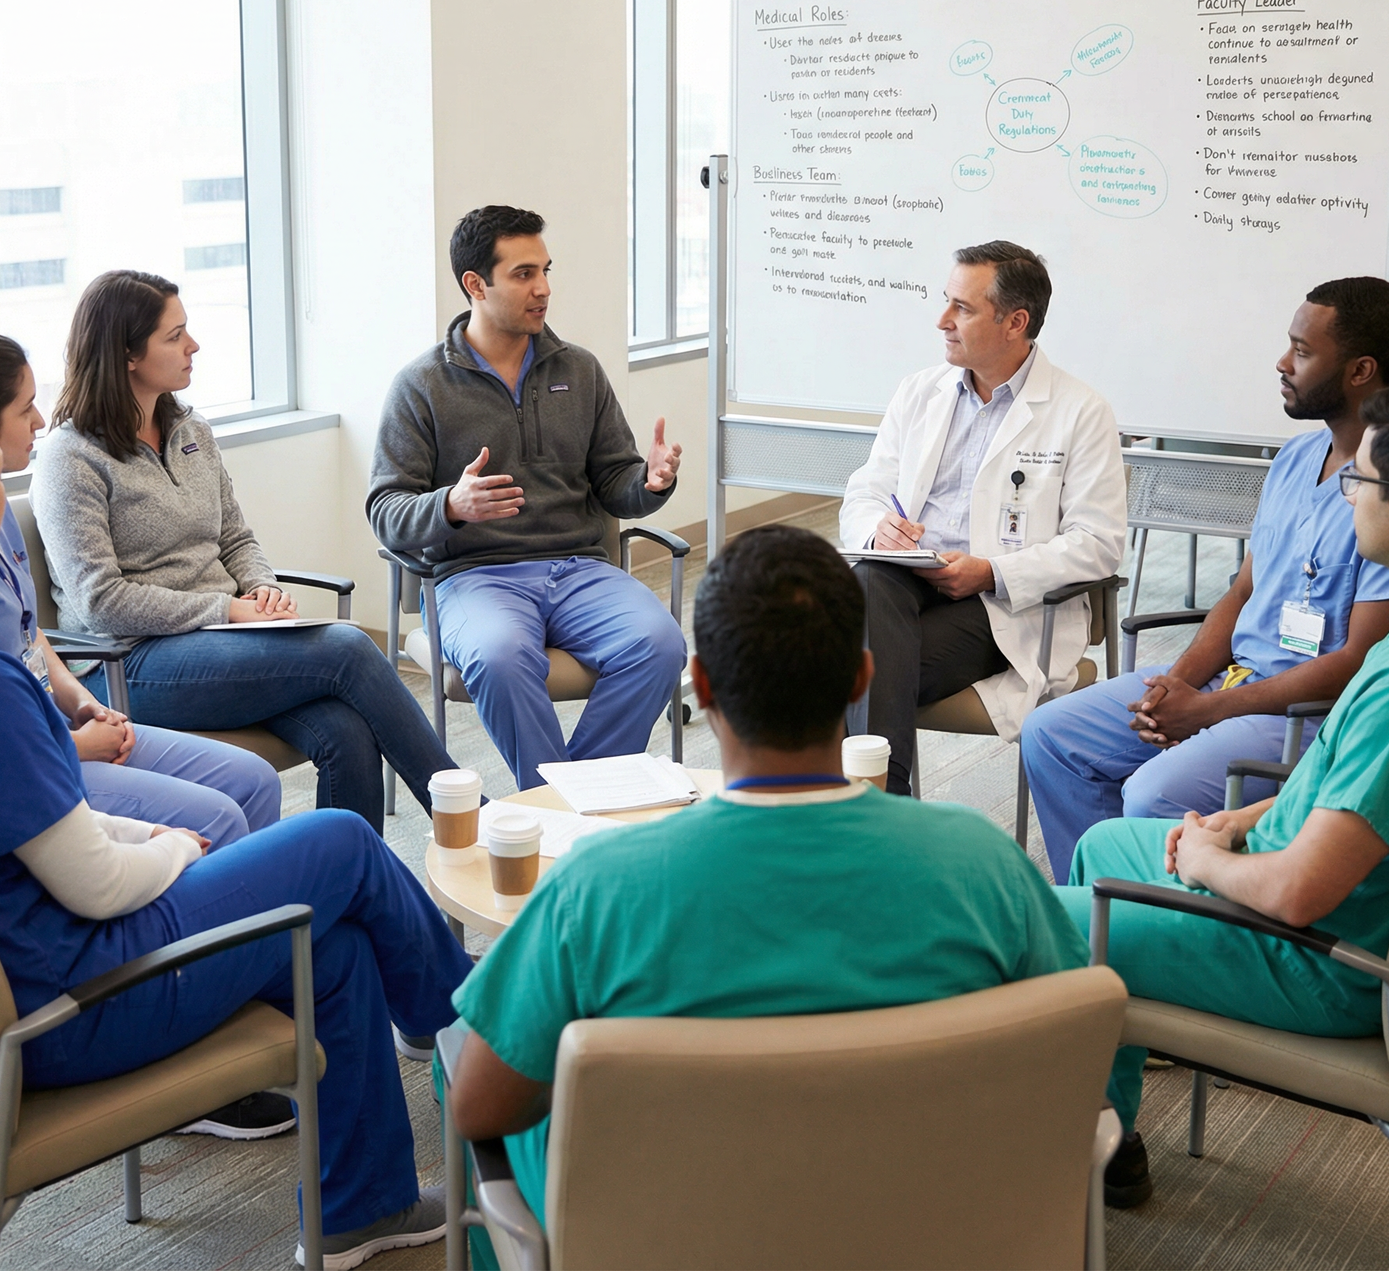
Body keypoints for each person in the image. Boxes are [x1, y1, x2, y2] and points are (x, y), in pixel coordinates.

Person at [0, 380, 472, 1268]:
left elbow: (34, 846)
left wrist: (150, 842)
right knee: (338, 844)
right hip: (78, 1005)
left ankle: (360, 1206)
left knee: (329, 948)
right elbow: (96, 885)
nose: (6, 491)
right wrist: (178, 847)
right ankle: (489, 1045)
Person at [447, 525, 1090, 1232]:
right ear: (861, 680)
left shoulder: (599, 888)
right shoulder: (982, 863)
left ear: (700, 687)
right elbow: (1079, 1064)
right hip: (924, 1230)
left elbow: (478, 1107)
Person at [1054, 382, 1389, 1208]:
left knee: (1046, 924)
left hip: (1322, 960)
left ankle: (1049, 1172)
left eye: (1361, 482)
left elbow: (1300, 890)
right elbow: (1376, 796)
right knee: (1100, 849)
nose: (1347, 495)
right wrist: (1259, 812)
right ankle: (1113, 1137)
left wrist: (1206, 860)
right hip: (1325, 901)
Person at [1022, 278, 1389, 884]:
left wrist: (1205, 711)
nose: (1283, 364)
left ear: (1362, 370)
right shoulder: (1292, 461)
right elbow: (1241, 594)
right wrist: (1172, 691)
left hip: (1304, 714)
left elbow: (1356, 661)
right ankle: (1091, 917)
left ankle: (1158, 941)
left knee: (1154, 794)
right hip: (1234, 682)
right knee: (1051, 733)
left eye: (1303, 352)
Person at [30, 270, 456, 828]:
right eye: (174, 335)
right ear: (127, 354)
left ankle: (348, 896)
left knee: (345, 731)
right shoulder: (71, 457)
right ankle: (462, 812)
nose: (193, 345)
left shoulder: (190, 429)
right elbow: (99, 601)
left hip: (225, 639)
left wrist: (262, 588)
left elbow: (234, 537)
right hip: (126, 662)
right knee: (349, 647)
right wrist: (227, 608)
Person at [0, 330, 281, 855]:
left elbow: (27, 633)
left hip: (58, 725)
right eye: (26, 408)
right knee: (220, 813)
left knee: (255, 779)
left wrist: (83, 705)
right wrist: (78, 744)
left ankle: (260, 925)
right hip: (33, 754)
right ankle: (212, 924)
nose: (40, 421)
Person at [368, 207, 687, 789]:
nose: (543, 288)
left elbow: (615, 479)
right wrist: (450, 506)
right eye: (522, 274)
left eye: (544, 270)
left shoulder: (580, 370)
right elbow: (386, 512)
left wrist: (650, 482)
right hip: (475, 574)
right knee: (499, 657)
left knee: (661, 643)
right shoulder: (422, 386)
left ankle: (565, 805)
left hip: (579, 570)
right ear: (475, 285)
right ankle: (561, 807)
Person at [839, 241, 1127, 795]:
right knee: (871, 578)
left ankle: (871, 808)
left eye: (962, 309)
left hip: (1001, 607)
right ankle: (882, 809)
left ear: (1015, 322)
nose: (942, 320)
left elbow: (1098, 544)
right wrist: (880, 527)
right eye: (946, 301)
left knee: (834, 670)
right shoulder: (919, 391)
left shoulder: (1081, 411)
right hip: (904, 584)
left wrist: (990, 572)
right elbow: (868, 488)